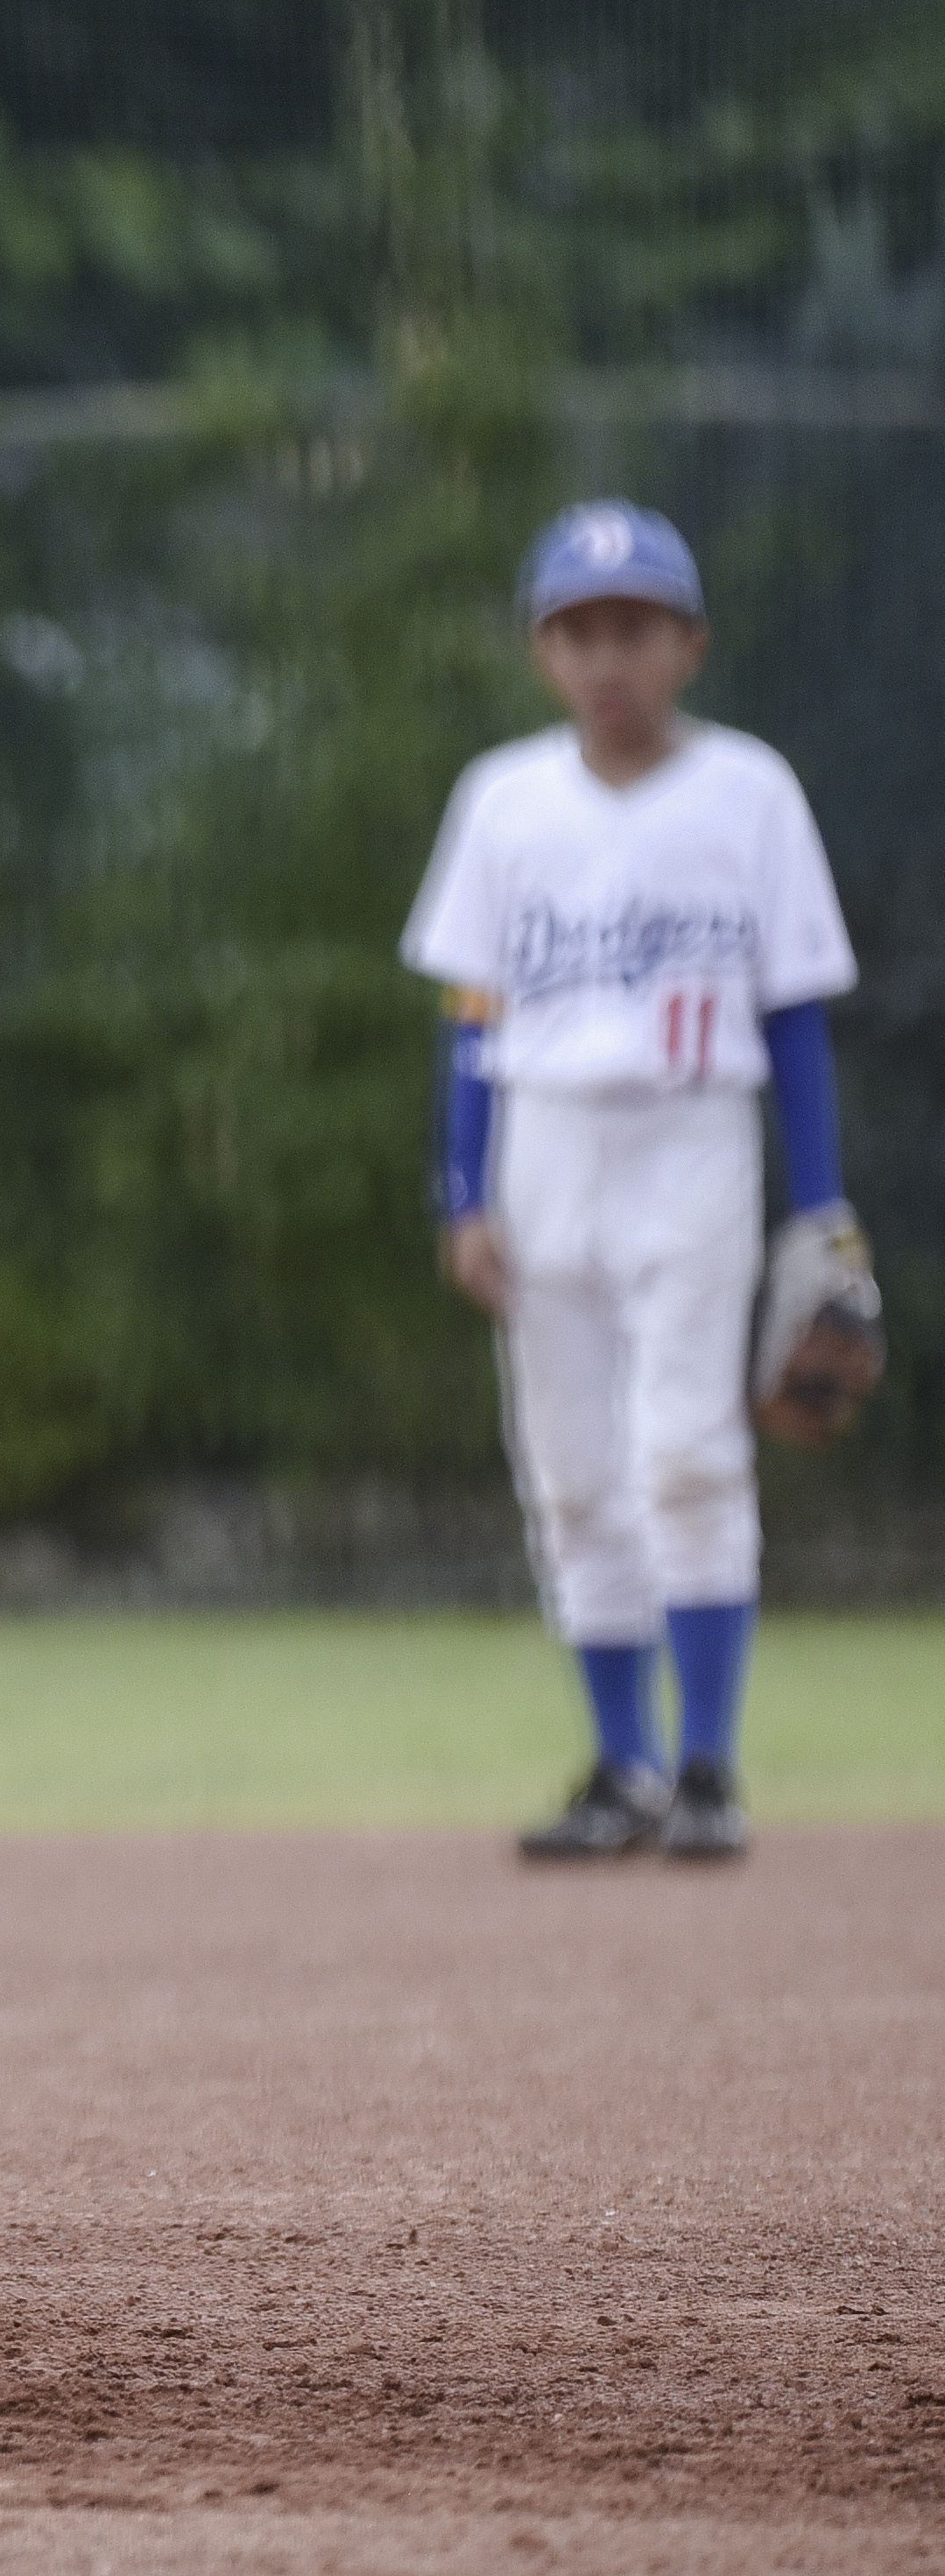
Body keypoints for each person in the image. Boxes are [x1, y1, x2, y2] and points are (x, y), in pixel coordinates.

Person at [400, 501, 859, 1865]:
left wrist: (820, 1206)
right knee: (571, 1470)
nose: (607, 655)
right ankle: (622, 1766)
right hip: (545, 1143)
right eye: (578, 629)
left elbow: (790, 1013)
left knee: (685, 1451)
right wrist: (459, 1193)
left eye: (634, 628)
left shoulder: (750, 791)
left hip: (691, 1139)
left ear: (688, 645)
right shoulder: (501, 798)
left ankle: (708, 1767)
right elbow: (471, 1015)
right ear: (544, 650)